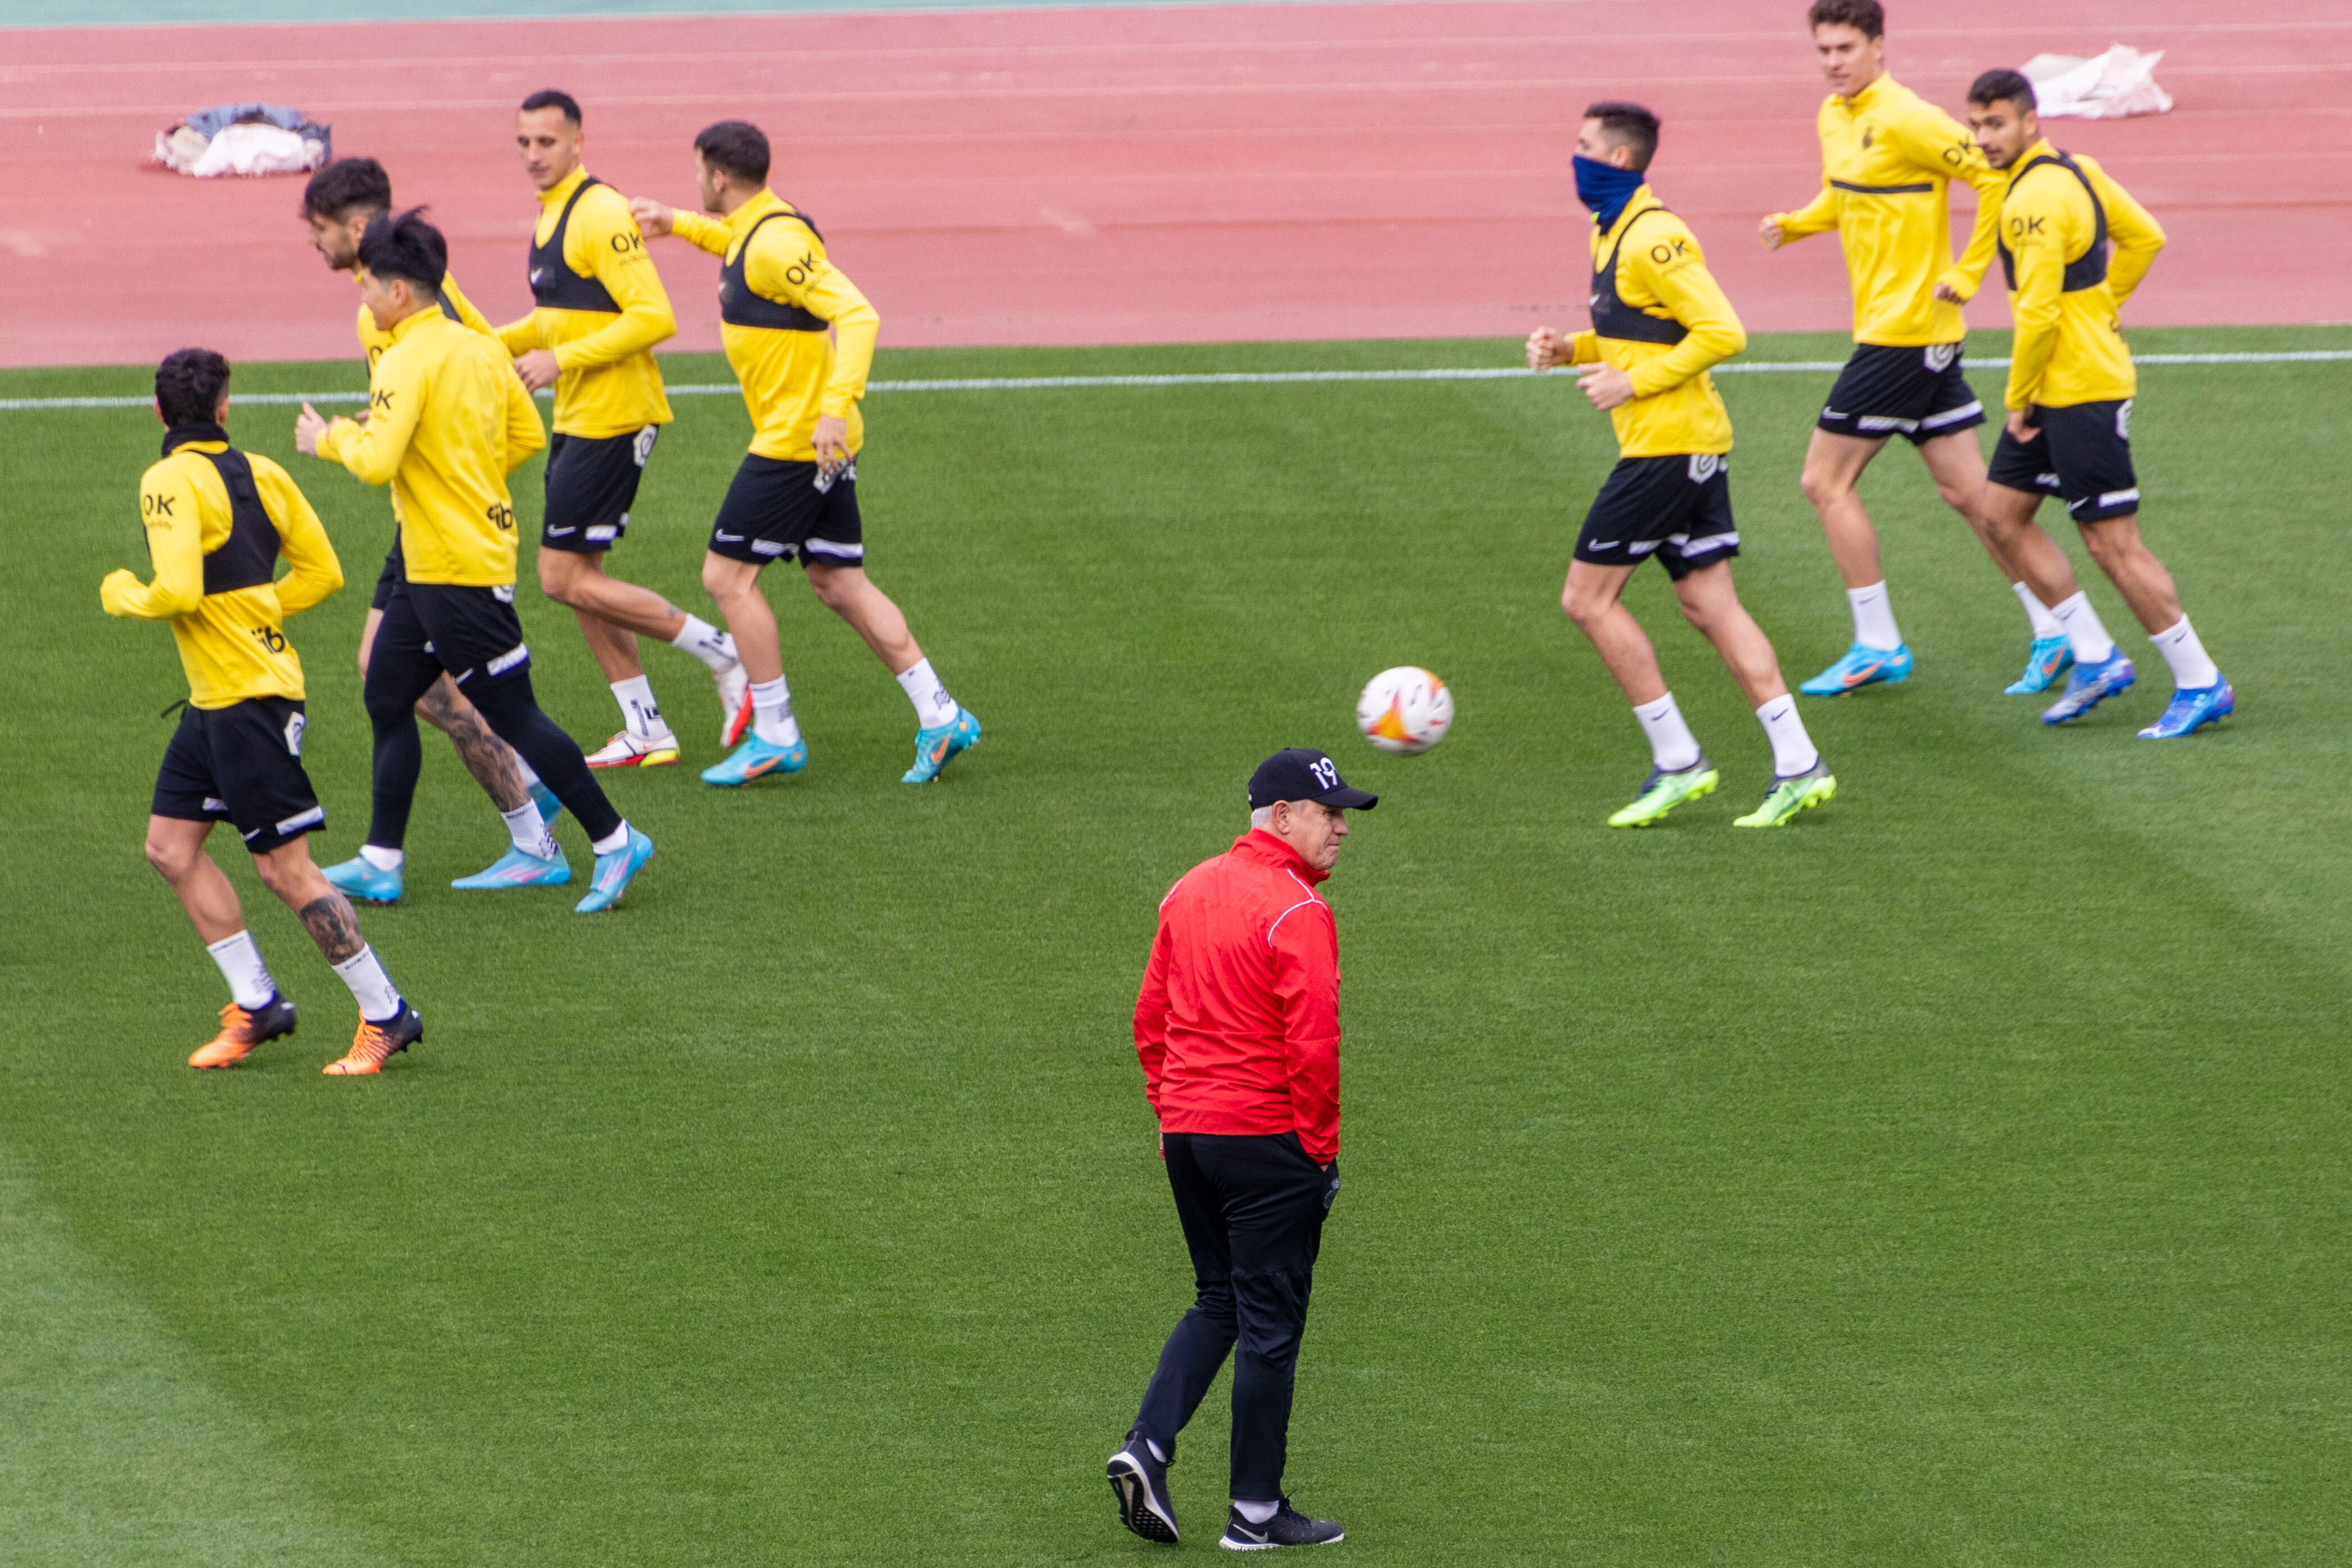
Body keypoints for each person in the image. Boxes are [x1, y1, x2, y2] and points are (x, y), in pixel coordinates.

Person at [296, 208, 657, 913]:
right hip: (435, 560)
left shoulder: (403, 357)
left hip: (455, 565)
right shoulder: (478, 346)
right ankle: (381, 858)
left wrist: (328, 437)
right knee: (388, 693)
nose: (364, 298)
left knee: (513, 713)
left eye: (370, 286)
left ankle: (616, 840)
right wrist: (459, 466)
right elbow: (524, 432)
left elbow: (374, 462)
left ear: (402, 292)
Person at [629, 120, 981, 787]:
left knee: (726, 578)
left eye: (698, 173)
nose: (695, 182)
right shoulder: (755, 227)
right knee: (838, 581)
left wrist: (830, 410)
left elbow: (859, 314)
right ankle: (941, 715)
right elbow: (729, 240)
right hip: (813, 435)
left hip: (799, 440)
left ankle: (776, 732)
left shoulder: (777, 241)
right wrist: (673, 220)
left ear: (720, 176)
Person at [104, 347, 423, 1076]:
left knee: (287, 869)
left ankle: (386, 1013)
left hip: (247, 702)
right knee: (170, 848)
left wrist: (124, 591)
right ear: (224, 409)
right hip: (219, 699)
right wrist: (256, 610)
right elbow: (325, 572)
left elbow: (178, 591)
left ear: (159, 412)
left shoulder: (165, 480)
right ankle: (257, 1003)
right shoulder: (266, 473)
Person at [1528, 103, 1836, 830]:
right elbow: (1639, 332)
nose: (1572, 158)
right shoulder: (1612, 231)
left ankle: (1679, 760)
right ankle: (1799, 765)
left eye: (1583, 147)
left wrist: (1630, 385)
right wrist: (1573, 348)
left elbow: (1723, 331)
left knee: (1587, 599)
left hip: (1666, 447)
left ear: (1621, 161)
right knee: (1709, 605)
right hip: (1687, 444)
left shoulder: (1655, 238)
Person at [1761, 0, 2074, 698]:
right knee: (1970, 494)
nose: (1834, 62)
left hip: (1902, 337)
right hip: (1908, 339)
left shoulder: (1910, 117)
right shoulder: (1833, 117)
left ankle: (1877, 643)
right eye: (1824, 50)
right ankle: (2057, 630)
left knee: (1824, 481)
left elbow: (1995, 178)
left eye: (1846, 48)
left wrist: (1968, 270)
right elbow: (1843, 198)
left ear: (1878, 46)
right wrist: (1797, 223)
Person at [1107, 748, 1367, 1552]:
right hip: (1265, 1142)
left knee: (1218, 1297)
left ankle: (1147, 1445)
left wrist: (1169, 1110)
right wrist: (1319, 1154)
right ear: (1280, 816)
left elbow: (1149, 1019)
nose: (1340, 828)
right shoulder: (1296, 910)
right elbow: (1313, 1045)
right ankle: (1254, 1513)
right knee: (1268, 1325)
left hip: (1190, 1135)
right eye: (1327, 813)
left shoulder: (1188, 887)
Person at [300, 156, 573, 895]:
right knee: (392, 681)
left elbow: (479, 377)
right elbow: (475, 369)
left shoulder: (392, 310)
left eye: (321, 232)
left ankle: (536, 815)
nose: (317, 247)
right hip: (429, 511)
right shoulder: (428, 290)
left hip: (438, 522)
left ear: (358, 231)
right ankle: (496, 823)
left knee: (438, 692)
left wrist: (433, 462)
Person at [1963, 70, 2233, 737]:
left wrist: (2018, 400)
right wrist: (2106, 304)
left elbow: (2039, 316)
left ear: (2030, 121)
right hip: (2072, 377)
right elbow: (2145, 237)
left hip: (2077, 388)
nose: (1984, 138)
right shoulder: (2077, 169)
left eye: (1995, 124)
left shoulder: (2031, 202)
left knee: (2112, 544)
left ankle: (2201, 680)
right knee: (2000, 515)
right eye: (1976, 125)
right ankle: (2094, 654)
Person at [501, 89, 748, 768]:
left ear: (579, 142)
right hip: (581, 415)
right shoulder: (552, 215)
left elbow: (653, 317)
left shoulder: (599, 213)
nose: (533, 156)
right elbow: (557, 318)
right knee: (583, 576)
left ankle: (724, 653)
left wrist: (560, 360)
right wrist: (485, 344)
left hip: (617, 415)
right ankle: (645, 727)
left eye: (546, 142)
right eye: (523, 143)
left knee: (559, 578)